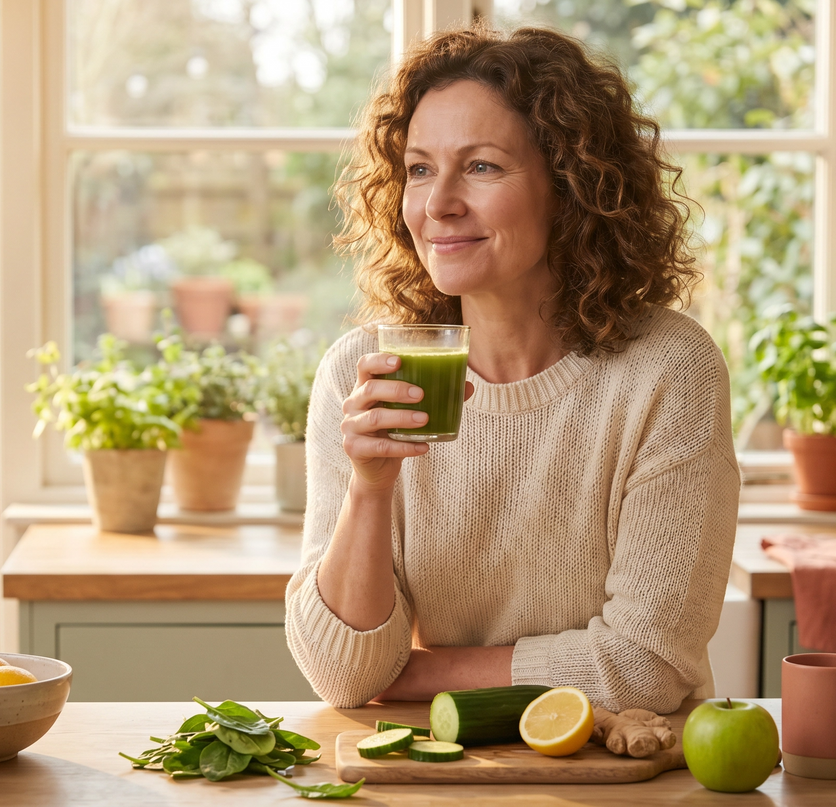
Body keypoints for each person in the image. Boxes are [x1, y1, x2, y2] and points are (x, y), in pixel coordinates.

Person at [283, 25, 740, 712]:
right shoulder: (363, 372)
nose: (437, 205)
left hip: (624, 774)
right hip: (438, 772)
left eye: (482, 166)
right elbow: (342, 675)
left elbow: (644, 667)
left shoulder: (666, 371)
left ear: (571, 185)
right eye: (419, 168)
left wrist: (412, 673)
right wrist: (370, 489)